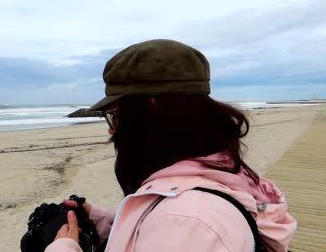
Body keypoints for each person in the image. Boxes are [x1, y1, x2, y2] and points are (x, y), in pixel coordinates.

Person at [45, 39, 296, 252]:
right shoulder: (212, 184)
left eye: (116, 114)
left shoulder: (189, 221)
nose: (112, 129)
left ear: (152, 109)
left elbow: (181, 229)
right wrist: (107, 223)